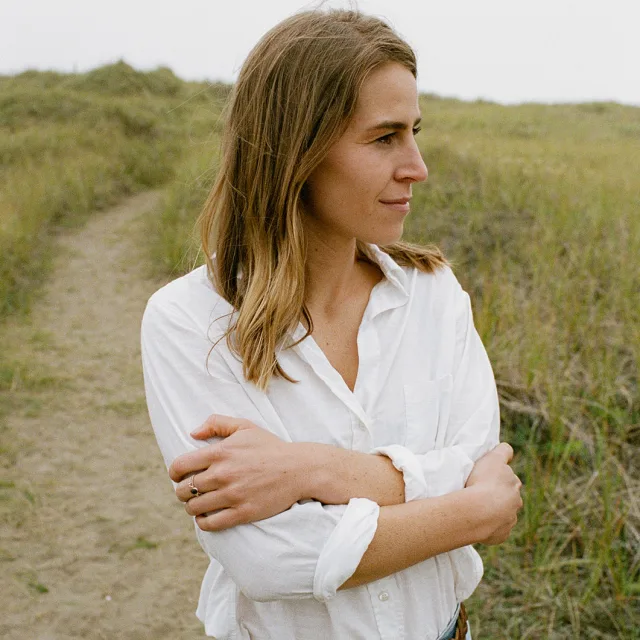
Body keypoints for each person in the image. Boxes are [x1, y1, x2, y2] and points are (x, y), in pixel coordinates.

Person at [141, 8, 523, 640]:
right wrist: (467, 512)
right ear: (300, 153)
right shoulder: (190, 322)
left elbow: (484, 465)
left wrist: (310, 470)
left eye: (415, 132)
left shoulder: (435, 297)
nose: (417, 166)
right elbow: (268, 559)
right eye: (384, 138)